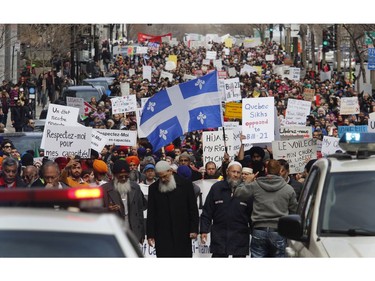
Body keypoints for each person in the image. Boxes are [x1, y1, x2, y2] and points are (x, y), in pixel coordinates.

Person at [234, 159, 298, 258]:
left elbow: (238, 194)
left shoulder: (256, 185)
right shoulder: (288, 189)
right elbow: (294, 212)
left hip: (259, 230)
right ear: (279, 171)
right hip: (278, 231)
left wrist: (246, 182)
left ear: (267, 170)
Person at [200, 161, 253, 258]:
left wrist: (255, 232)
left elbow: (252, 214)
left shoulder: (247, 190)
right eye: (233, 172)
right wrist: (204, 230)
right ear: (227, 171)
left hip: (240, 235)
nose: (236, 175)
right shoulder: (217, 188)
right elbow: (207, 211)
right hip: (220, 235)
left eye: (238, 172)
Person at [146, 160, 199, 257]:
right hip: (162, 234)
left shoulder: (185, 185)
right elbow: (151, 213)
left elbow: (192, 208)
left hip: (182, 232)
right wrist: (150, 234)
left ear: (170, 171)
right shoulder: (153, 188)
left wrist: (194, 229)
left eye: (165, 176)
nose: (162, 180)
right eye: (160, 177)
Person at [101, 159, 146, 244]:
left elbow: (140, 211)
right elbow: (95, 211)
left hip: (133, 232)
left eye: (126, 176)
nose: (124, 178)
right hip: (114, 232)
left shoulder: (135, 188)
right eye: (120, 176)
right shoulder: (104, 189)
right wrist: (107, 209)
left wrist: (142, 234)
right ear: (114, 175)